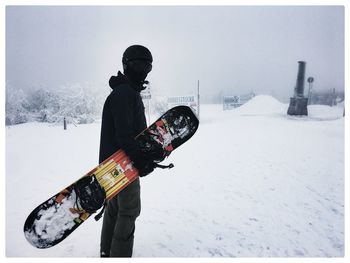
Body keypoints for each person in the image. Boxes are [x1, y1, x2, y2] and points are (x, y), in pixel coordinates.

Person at [99, 45, 155, 257]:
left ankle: (107, 252)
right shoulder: (124, 94)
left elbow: (130, 132)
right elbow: (124, 135)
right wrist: (140, 161)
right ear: (126, 65)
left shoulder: (124, 92)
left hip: (113, 163)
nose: (143, 71)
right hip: (123, 164)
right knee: (129, 210)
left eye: (148, 66)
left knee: (114, 210)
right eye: (139, 64)